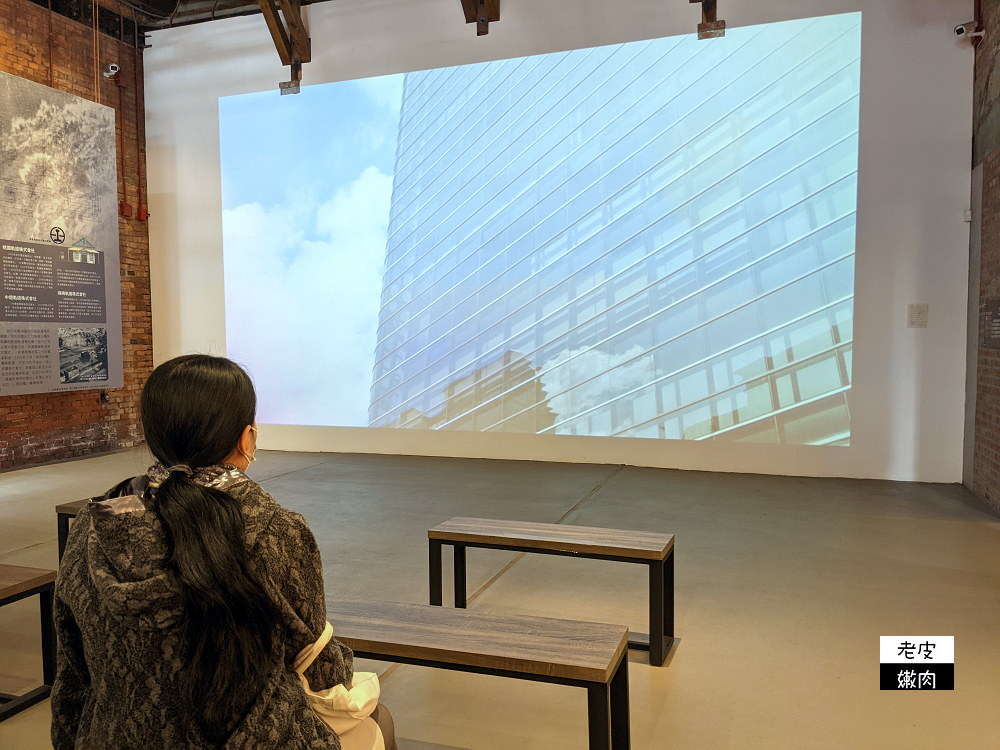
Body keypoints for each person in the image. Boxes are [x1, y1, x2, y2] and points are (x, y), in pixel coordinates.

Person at [51, 354, 394, 749]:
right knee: (379, 722)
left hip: (113, 739)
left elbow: (73, 676)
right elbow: (319, 663)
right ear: (247, 438)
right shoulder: (278, 531)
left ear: (152, 435)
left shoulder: (92, 528)